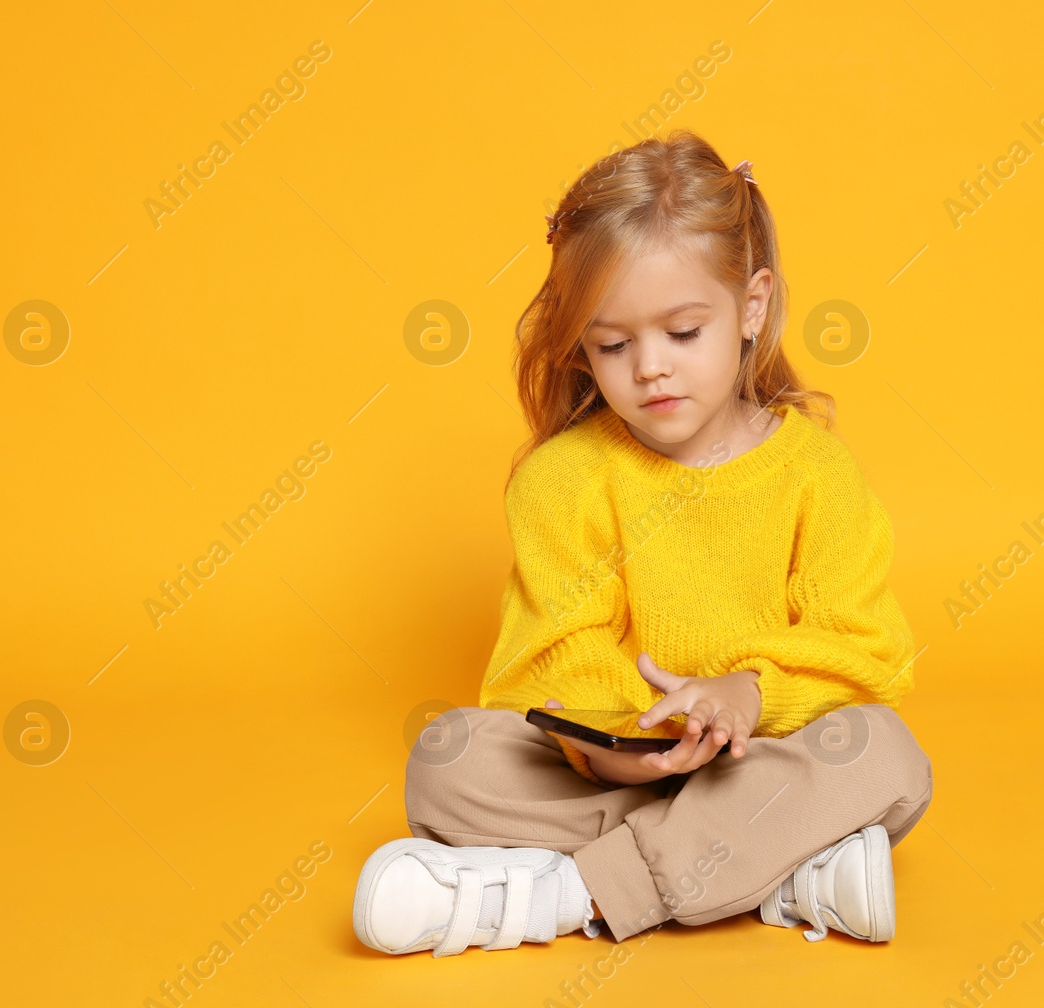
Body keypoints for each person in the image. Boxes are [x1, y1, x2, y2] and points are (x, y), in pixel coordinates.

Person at [351, 129, 932, 958]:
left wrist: (746, 696)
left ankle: (569, 893)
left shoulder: (816, 472)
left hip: (760, 760)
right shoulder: (561, 479)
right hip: (628, 770)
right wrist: (615, 752)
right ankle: (776, 869)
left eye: (683, 333)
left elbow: (867, 651)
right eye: (614, 345)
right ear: (583, 343)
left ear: (752, 307)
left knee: (884, 755)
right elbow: (548, 657)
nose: (650, 369)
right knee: (448, 758)